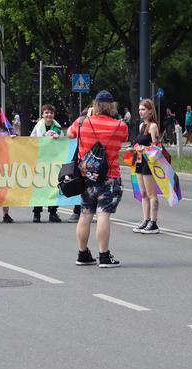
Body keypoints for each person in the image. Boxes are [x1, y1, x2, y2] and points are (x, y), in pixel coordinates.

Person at [68, 90, 128, 268]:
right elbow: (124, 138)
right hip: (110, 177)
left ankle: (83, 253)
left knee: (85, 215)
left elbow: (70, 134)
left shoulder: (81, 123)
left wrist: (86, 118)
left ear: (94, 106)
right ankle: (104, 256)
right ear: (112, 106)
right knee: (103, 215)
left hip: (86, 178)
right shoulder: (119, 125)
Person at [130, 99, 161, 234]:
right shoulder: (142, 126)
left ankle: (153, 222)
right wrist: (134, 149)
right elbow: (139, 143)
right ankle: (146, 219)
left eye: (143, 109)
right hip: (139, 160)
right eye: (139, 109)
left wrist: (145, 148)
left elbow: (157, 146)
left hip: (149, 162)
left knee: (151, 193)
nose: (140, 112)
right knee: (142, 193)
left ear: (150, 111)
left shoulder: (153, 126)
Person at [30, 104, 63, 223]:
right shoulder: (38, 127)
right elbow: (31, 140)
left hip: (54, 161)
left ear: (54, 115)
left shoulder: (58, 127)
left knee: (53, 186)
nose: (49, 115)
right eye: (46, 113)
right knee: (39, 186)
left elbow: (63, 144)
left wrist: (58, 138)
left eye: (51, 113)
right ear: (42, 115)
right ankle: (37, 212)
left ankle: (53, 212)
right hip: (40, 159)